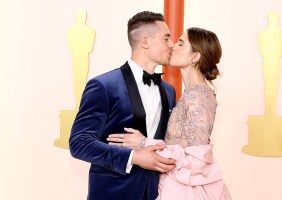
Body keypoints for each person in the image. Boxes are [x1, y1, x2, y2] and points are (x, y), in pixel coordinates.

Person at [108, 27, 232, 199]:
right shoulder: (191, 93)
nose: (173, 46)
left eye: (181, 43)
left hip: (189, 190)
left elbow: (196, 162)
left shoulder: (198, 96)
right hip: (175, 183)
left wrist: (143, 142)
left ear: (195, 57)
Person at [69, 11, 177, 200]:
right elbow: (79, 143)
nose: (172, 45)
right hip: (113, 193)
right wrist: (134, 157)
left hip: (156, 193)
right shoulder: (103, 86)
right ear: (145, 42)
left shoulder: (169, 90)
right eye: (166, 39)